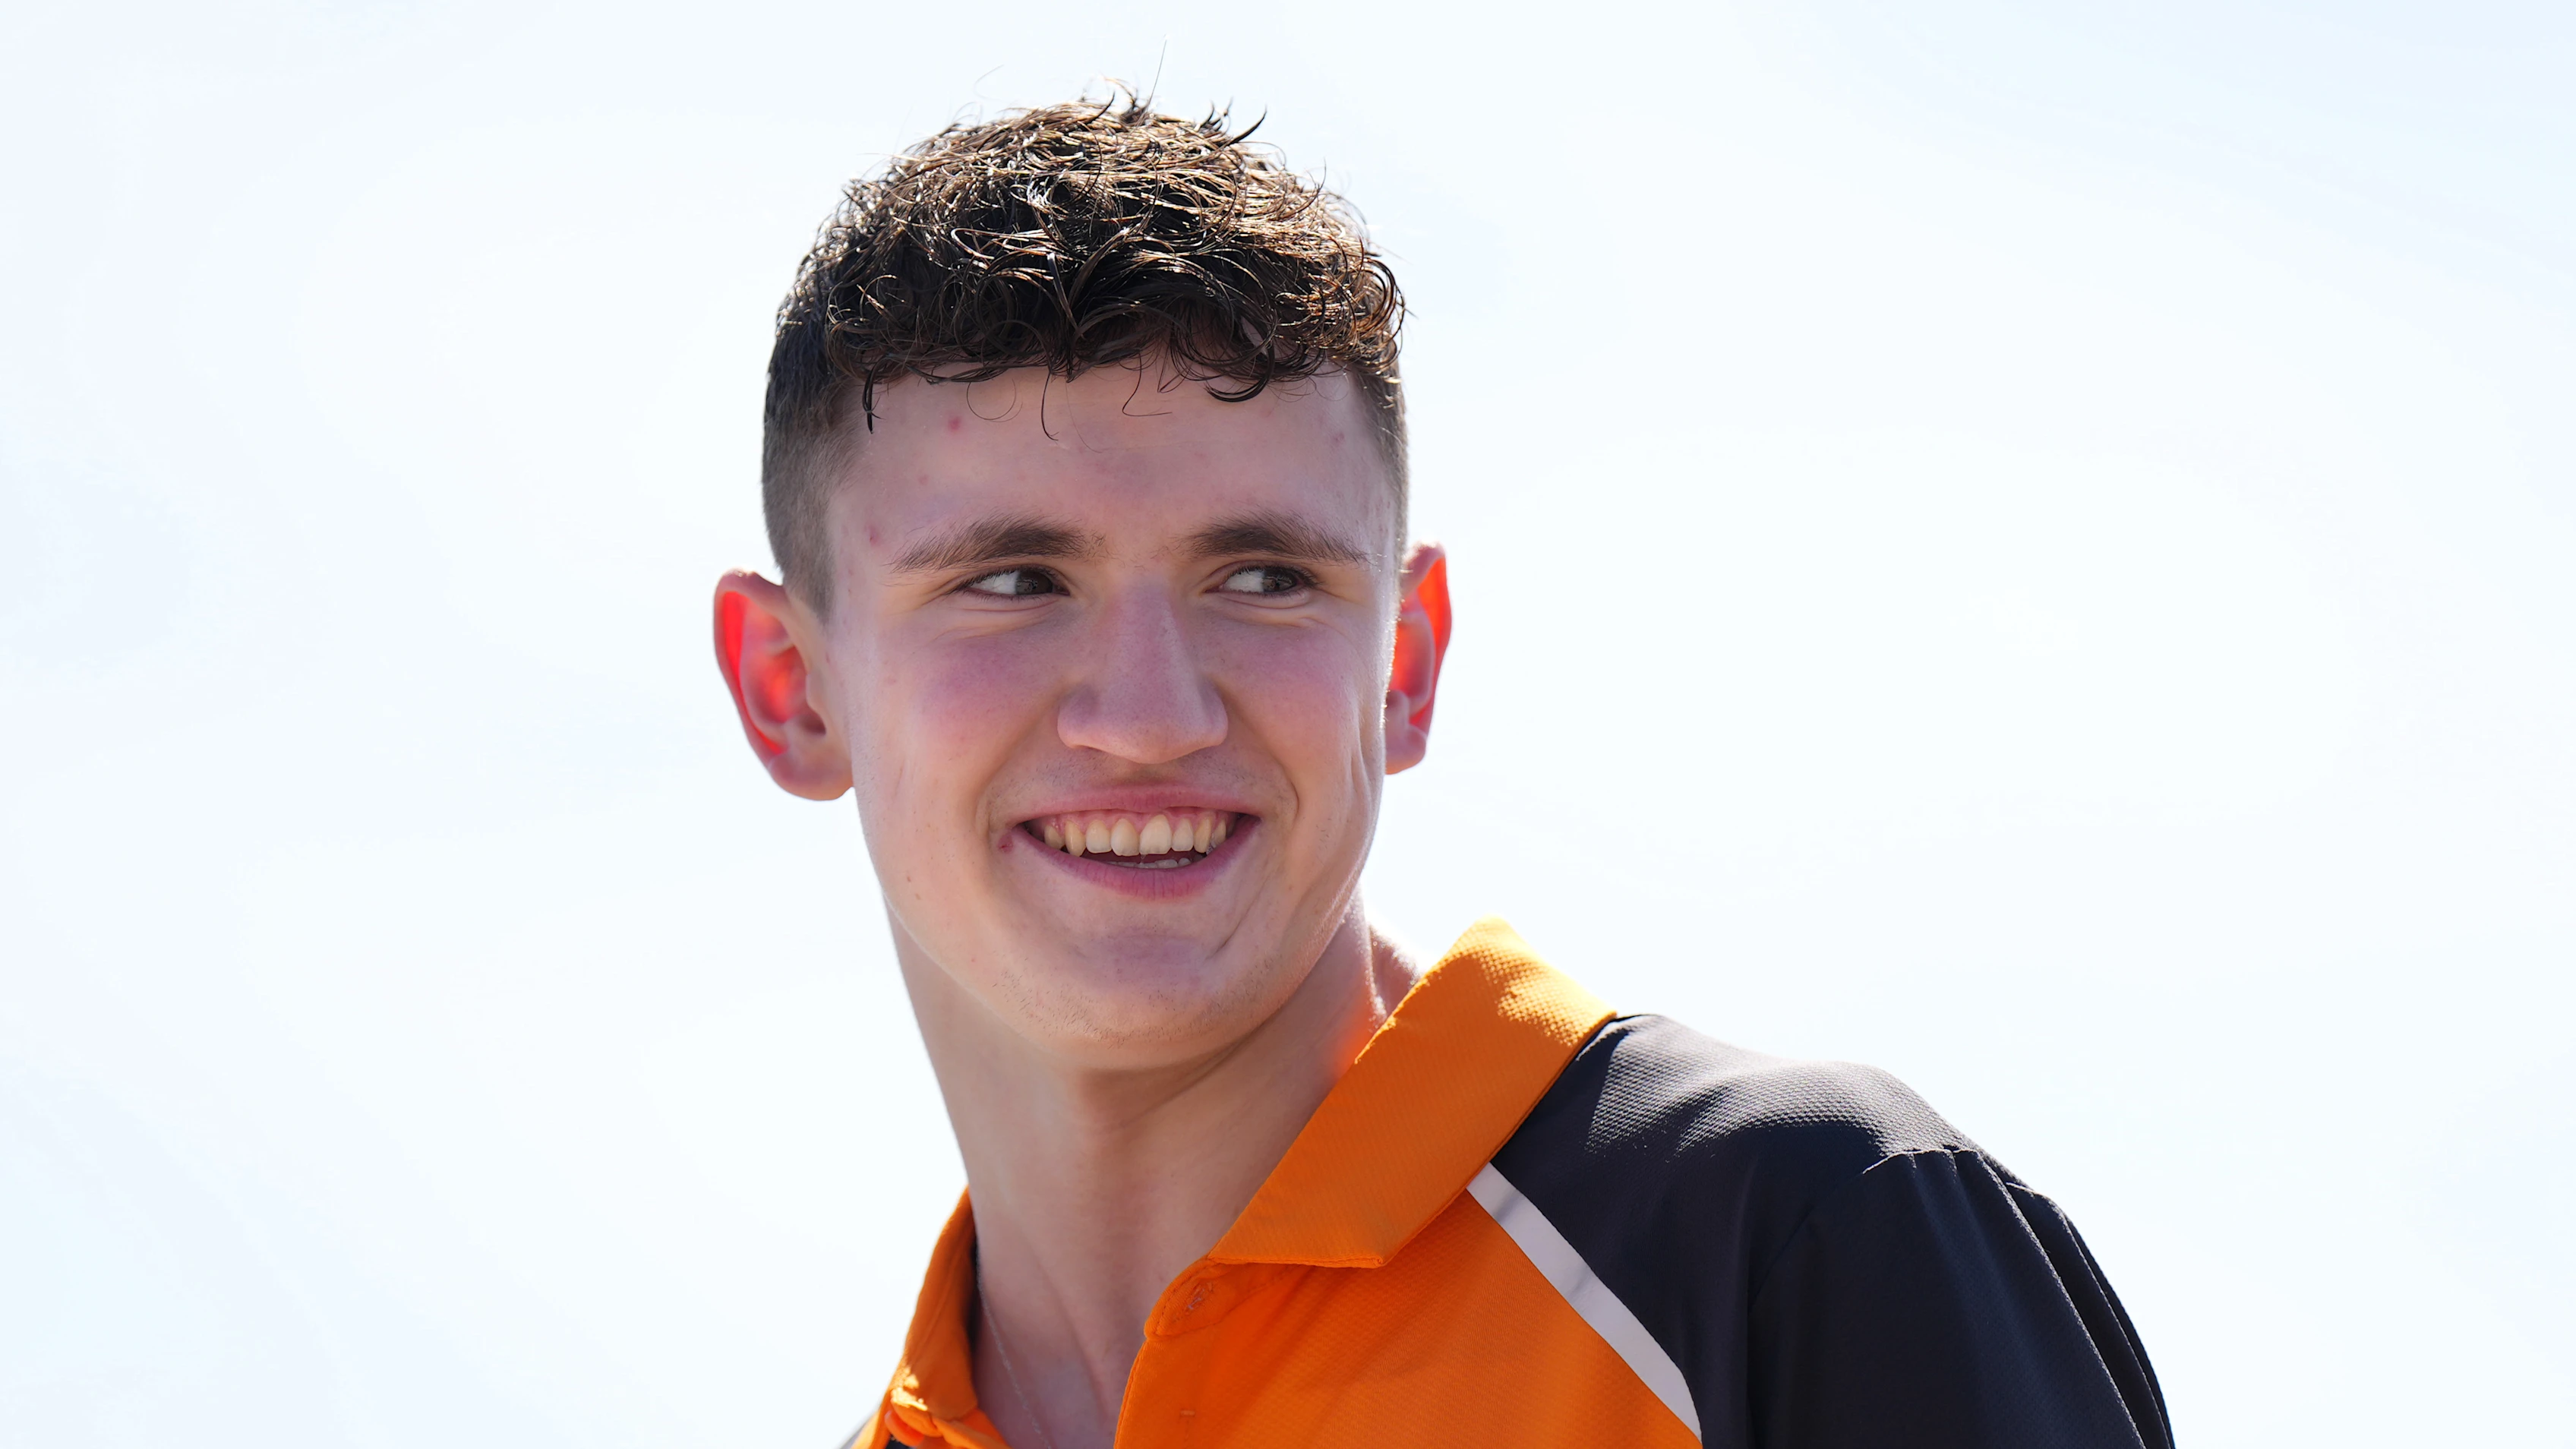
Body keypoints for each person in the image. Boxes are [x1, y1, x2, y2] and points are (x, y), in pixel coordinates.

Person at [711, 94, 2172, 1449]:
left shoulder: (1792, 1235)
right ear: (792, 690)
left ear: (1403, 663)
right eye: (1019, 581)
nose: (1149, 717)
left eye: (1266, 577)